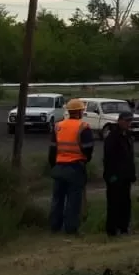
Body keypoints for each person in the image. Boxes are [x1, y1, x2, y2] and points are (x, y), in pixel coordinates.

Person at [48, 98, 94, 235]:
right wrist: (85, 161)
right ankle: (71, 228)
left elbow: (52, 149)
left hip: (59, 166)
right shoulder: (83, 127)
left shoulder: (58, 126)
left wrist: (53, 165)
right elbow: (88, 149)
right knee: (74, 200)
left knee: (57, 198)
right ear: (80, 111)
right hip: (75, 166)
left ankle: (54, 227)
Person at [102, 111, 137, 237]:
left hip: (126, 175)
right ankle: (112, 230)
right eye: (127, 121)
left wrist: (132, 173)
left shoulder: (127, 135)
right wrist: (111, 176)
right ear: (120, 120)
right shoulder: (112, 136)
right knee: (114, 203)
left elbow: (129, 157)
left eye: (130, 121)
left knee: (125, 202)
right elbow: (108, 158)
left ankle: (124, 227)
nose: (129, 123)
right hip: (115, 176)